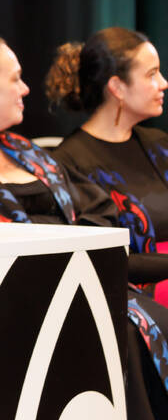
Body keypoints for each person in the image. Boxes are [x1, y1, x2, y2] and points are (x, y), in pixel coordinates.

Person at [0, 18, 168, 420]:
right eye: (15, 78)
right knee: (122, 331)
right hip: (10, 309)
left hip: (83, 287)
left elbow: (99, 216)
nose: (26, 88)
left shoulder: (30, 154)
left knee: (134, 321)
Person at [46, 28, 168, 302]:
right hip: (135, 297)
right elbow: (103, 258)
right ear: (117, 87)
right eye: (152, 74)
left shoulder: (160, 144)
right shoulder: (69, 163)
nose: (163, 83)